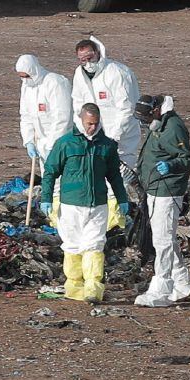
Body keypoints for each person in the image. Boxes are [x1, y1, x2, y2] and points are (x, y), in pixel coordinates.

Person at [40, 103, 129, 303]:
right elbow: (50, 172)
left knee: (94, 245)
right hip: (71, 205)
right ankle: (74, 286)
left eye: (95, 124)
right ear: (81, 119)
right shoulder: (66, 144)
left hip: (97, 204)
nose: (92, 128)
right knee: (72, 246)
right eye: (89, 123)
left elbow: (114, 175)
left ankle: (93, 289)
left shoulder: (106, 145)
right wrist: (46, 198)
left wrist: (122, 199)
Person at [133, 94, 190, 307]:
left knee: (162, 240)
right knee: (164, 236)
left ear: (157, 110)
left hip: (167, 190)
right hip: (154, 188)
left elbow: (187, 158)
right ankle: (182, 281)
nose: (145, 124)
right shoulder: (158, 126)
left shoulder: (173, 127)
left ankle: (162, 288)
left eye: (146, 119)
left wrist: (170, 167)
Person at [71, 36, 140, 230]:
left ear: (98, 53)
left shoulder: (117, 73)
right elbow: (78, 104)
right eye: (82, 59)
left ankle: (116, 220)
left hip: (121, 137)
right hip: (95, 135)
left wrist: (114, 137)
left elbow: (126, 109)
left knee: (119, 176)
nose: (87, 63)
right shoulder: (79, 74)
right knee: (97, 175)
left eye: (90, 58)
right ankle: (100, 216)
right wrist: (84, 130)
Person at [17, 53, 73, 165]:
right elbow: (26, 115)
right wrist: (29, 141)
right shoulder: (27, 87)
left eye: (27, 76)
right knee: (48, 179)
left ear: (34, 71)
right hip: (41, 143)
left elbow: (62, 117)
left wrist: (53, 145)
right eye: (21, 77)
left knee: (63, 178)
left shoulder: (55, 83)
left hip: (62, 141)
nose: (25, 80)